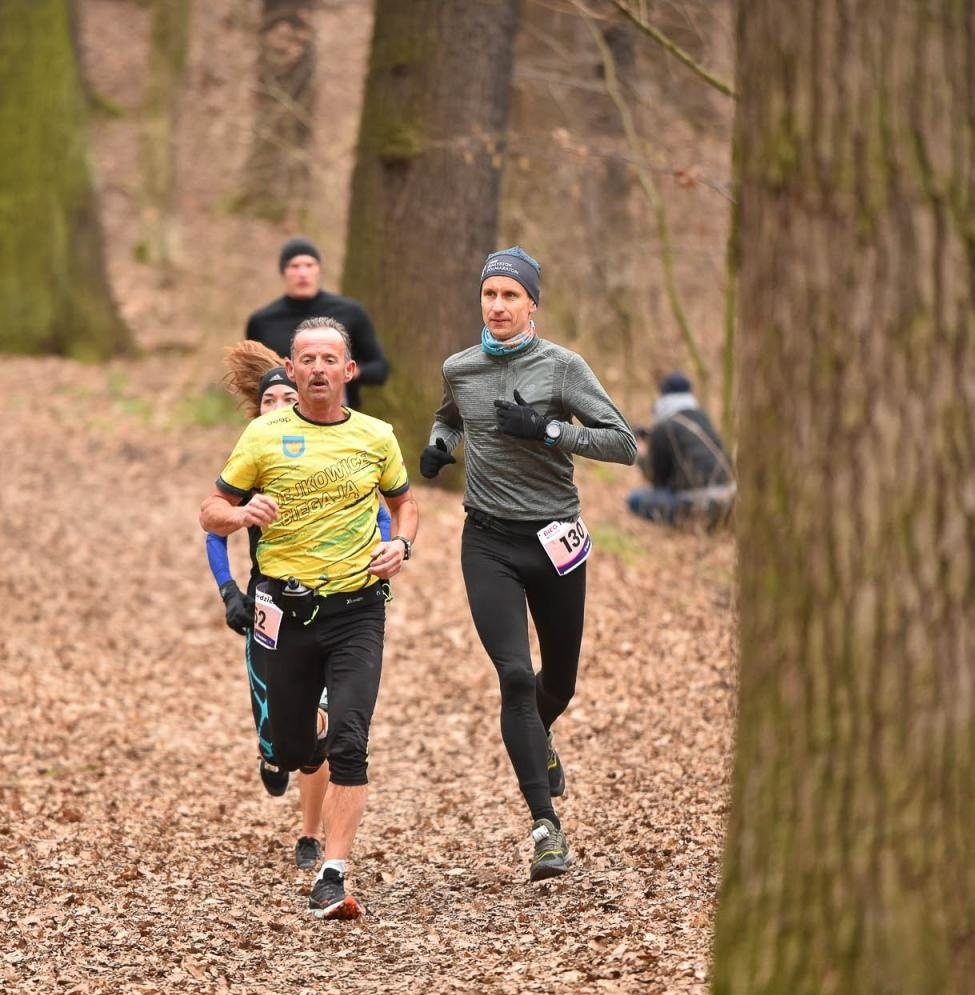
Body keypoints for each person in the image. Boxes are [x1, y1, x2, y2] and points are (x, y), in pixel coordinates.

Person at [419, 247, 636, 882]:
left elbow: (622, 443)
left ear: (532, 304)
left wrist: (547, 431)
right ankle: (546, 828)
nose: (498, 306)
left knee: (558, 683)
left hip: (555, 540)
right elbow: (448, 417)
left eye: (511, 295)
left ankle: (535, 738)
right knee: (516, 676)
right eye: (490, 295)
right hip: (488, 541)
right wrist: (439, 448)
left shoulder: (563, 368)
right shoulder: (460, 367)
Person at [199, 317, 417, 920]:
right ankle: (295, 745)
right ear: (291, 371)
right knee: (298, 747)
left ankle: (333, 870)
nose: (318, 369)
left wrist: (402, 546)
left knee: (351, 739)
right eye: (307, 360)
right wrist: (240, 518)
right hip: (281, 610)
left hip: (356, 610)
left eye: (330, 359)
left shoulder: (377, 435)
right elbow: (210, 510)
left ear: (348, 372)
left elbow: (404, 504)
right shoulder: (263, 437)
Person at [244, 237, 390, 410]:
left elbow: (380, 369)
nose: (303, 273)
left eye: (309, 265)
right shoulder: (261, 321)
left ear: (319, 270)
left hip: (341, 418)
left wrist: (344, 370)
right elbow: (253, 379)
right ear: (283, 271)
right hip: (281, 418)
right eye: (295, 266)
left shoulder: (351, 312)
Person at [627, 372, 736, 528]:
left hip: (693, 503)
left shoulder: (664, 427)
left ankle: (691, 520)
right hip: (725, 498)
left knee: (635, 499)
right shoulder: (702, 417)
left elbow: (657, 480)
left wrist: (642, 455)